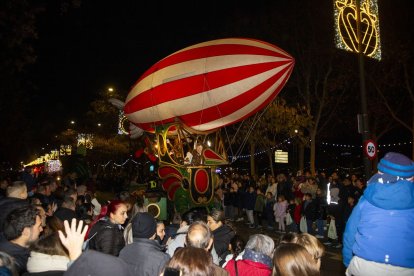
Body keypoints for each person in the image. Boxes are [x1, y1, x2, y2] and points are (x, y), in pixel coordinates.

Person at [343, 152, 414, 276]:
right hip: (406, 269)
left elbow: (350, 232)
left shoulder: (366, 199)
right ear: (410, 178)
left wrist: (348, 261)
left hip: (365, 266)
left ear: (380, 173)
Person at [0, 206, 43, 274]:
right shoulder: (14, 261)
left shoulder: (5, 240)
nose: (41, 229)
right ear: (26, 231)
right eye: (39, 226)